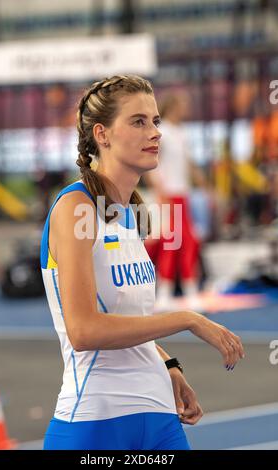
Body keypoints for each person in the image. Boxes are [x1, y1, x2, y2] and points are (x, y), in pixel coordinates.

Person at [40, 75, 245, 450]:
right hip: (96, 424)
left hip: (159, 415)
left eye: (155, 121)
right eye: (138, 122)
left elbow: (129, 318)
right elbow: (84, 331)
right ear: (102, 134)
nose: (154, 132)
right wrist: (188, 319)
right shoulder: (76, 207)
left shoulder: (130, 213)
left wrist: (168, 366)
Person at [143, 92, 201, 310]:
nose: (186, 107)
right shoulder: (162, 132)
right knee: (173, 241)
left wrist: (203, 186)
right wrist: (159, 190)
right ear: (174, 106)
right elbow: (152, 163)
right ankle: (169, 292)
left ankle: (184, 290)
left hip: (182, 193)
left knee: (185, 242)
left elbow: (188, 164)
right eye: (183, 103)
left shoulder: (182, 132)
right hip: (168, 194)